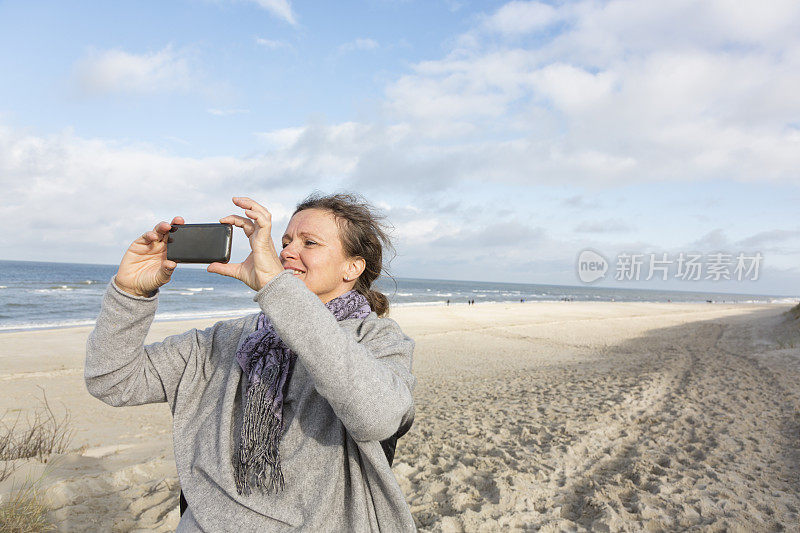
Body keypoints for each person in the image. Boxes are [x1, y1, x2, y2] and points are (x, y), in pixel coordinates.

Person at [85, 194, 417, 532]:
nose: (287, 251)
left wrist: (278, 288)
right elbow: (112, 380)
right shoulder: (227, 339)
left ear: (353, 267)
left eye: (309, 242)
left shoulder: (376, 339)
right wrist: (131, 293)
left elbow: (379, 416)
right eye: (286, 241)